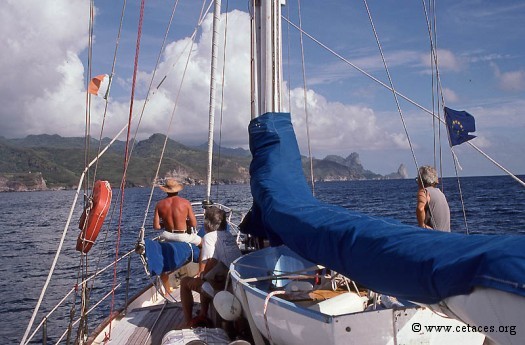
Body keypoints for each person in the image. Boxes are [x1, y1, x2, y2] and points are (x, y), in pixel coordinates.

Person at [179, 206, 242, 328]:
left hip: (224, 287)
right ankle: (203, 313)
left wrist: (201, 277)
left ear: (208, 223)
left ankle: (187, 322)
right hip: (235, 284)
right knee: (206, 278)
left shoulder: (209, 237)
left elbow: (212, 260)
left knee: (185, 282)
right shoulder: (229, 236)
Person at [153, 178, 201, 293]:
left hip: (167, 236)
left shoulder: (160, 204)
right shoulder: (185, 203)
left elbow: (156, 227)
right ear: (178, 190)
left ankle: (167, 288)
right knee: (204, 244)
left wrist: (165, 223)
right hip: (182, 236)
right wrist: (185, 222)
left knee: (160, 256)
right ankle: (200, 273)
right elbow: (194, 223)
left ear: (166, 190)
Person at [416, 165, 451, 232]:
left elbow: (420, 209)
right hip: (447, 236)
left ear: (421, 180)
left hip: (435, 237)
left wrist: (422, 225)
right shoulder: (440, 193)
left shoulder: (424, 192)